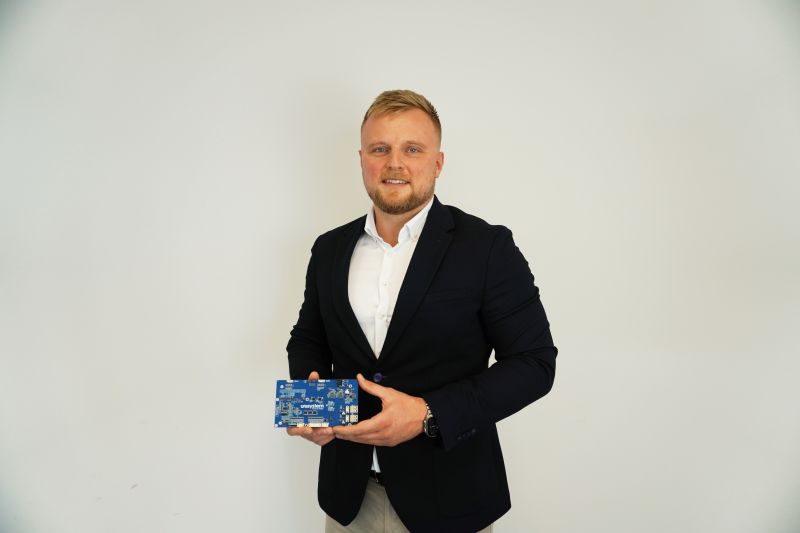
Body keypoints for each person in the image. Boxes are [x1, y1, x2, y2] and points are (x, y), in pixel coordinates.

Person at [286, 89, 557, 533]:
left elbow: (534, 364)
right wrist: (312, 402)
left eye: (412, 149)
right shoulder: (329, 248)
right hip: (350, 502)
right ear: (361, 159)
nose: (395, 163)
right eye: (380, 149)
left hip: (452, 500)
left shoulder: (487, 248)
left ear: (438, 162)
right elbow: (309, 338)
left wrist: (429, 412)